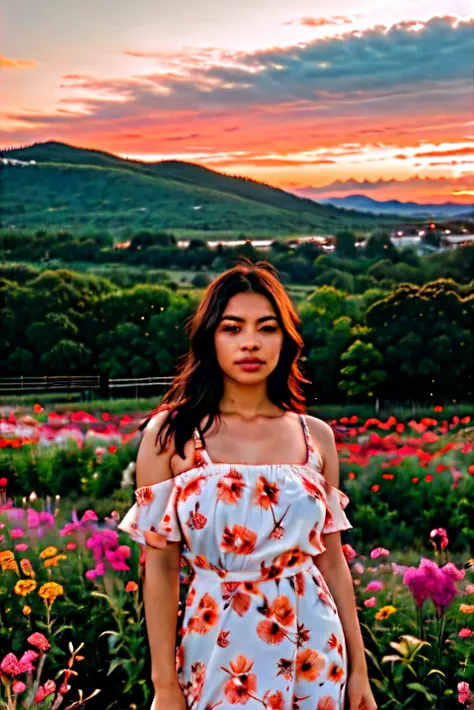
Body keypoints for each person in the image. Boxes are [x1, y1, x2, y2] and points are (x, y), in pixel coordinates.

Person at [118, 260, 377, 710]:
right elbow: (158, 567)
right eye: (232, 328)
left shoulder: (315, 437)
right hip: (216, 649)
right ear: (209, 339)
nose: (251, 342)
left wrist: (359, 672)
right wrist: (164, 684)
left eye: (267, 328)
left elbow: (332, 560)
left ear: (285, 339)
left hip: (316, 647)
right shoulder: (171, 436)